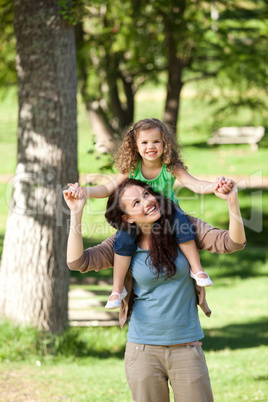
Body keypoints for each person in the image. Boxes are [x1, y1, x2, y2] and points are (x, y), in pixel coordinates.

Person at [64, 178, 246, 402]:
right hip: (142, 351)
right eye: (136, 203)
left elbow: (232, 243)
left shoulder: (184, 226)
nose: (147, 202)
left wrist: (232, 201)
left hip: (186, 347)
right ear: (127, 217)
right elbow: (77, 262)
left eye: (147, 194)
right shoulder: (120, 246)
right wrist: (76, 213)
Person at [66, 118, 232, 309]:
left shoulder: (170, 166)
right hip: (139, 218)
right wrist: (85, 191)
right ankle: (117, 288)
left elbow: (195, 184)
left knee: (182, 225)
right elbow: (108, 187)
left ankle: (197, 269)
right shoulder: (132, 168)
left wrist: (214, 186)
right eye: (144, 142)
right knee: (123, 239)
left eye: (156, 141)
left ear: (164, 143)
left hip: (168, 210)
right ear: (135, 146)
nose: (150, 146)